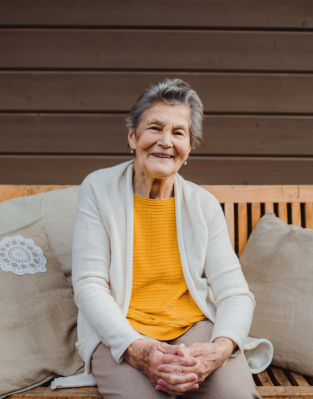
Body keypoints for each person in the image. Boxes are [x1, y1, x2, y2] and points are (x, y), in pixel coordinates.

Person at [71, 78, 272, 398]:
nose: (166, 141)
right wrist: (137, 349)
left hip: (195, 328)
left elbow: (235, 293)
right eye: (154, 128)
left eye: (178, 132)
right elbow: (88, 285)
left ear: (189, 147)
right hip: (122, 330)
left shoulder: (203, 204)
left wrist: (219, 350)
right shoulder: (98, 189)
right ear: (132, 135)